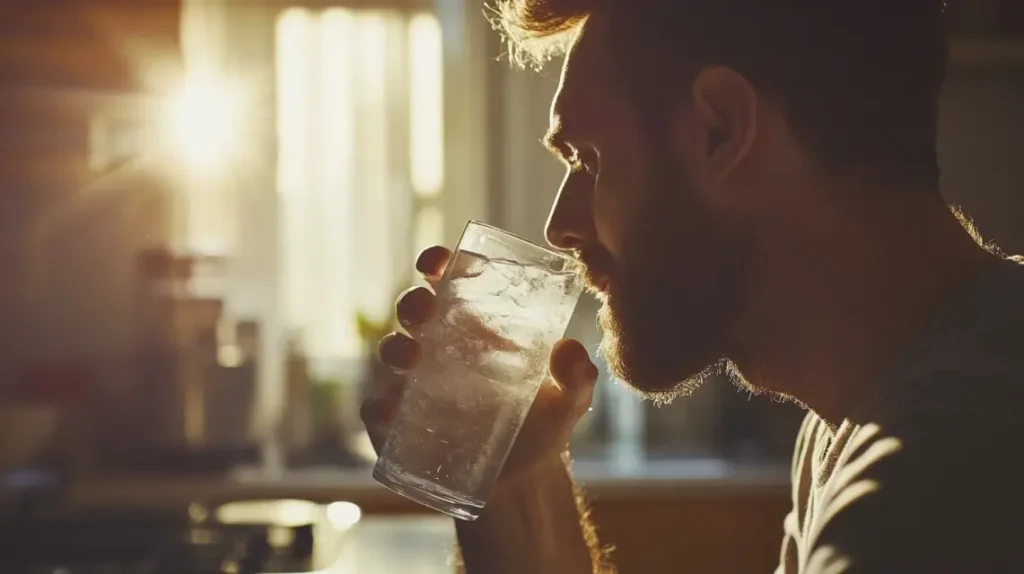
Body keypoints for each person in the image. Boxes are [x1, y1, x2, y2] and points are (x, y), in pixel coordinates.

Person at [362, 0, 1024, 572]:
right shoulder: (859, 420)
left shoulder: (934, 490)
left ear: (721, 130)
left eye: (588, 158)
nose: (561, 227)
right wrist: (514, 485)